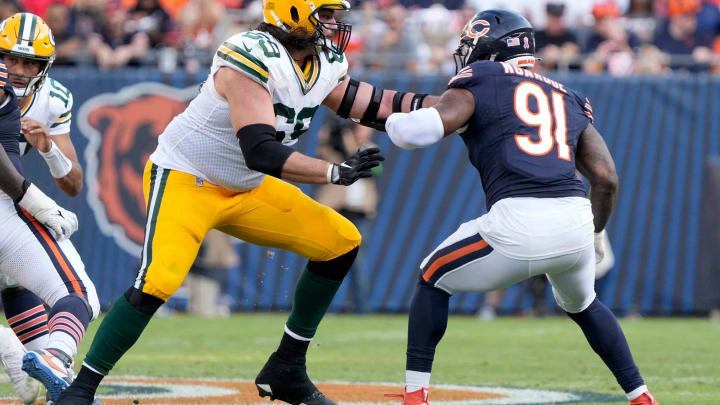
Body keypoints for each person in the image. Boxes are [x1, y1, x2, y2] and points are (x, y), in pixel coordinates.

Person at [54, 0, 438, 403]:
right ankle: (80, 389)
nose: (334, 25)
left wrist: (446, 108)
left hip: (246, 186)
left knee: (341, 241)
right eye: (324, 15)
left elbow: (376, 105)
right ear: (292, 12)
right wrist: (332, 172)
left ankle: (287, 367)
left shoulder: (321, 64)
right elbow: (261, 150)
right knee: (159, 279)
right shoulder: (250, 55)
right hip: (188, 177)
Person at [383, 9, 659, 405]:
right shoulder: (567, 95)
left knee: (432, 277)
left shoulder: (482, 78)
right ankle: (641, 395)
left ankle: (414, 395)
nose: (465, 54)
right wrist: (596, 232)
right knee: (584, 304)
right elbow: (606, 178)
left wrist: (393, 121)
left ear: (492, 46)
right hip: (575, 220)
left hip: (518, 221)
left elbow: (420, 132)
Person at [0, 13, 101, 403]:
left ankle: (43, 359)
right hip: (10, 198)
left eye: (30, 63)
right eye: (11, 59)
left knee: (15, 279)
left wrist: (49, 149)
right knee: (78, 291)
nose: (20, 70)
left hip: (6, 202)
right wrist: (34, 200)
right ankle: (20, 349)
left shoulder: (51, 99)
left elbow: (74, 183)